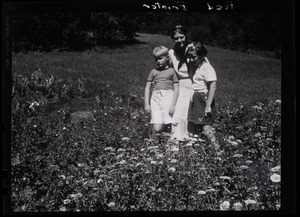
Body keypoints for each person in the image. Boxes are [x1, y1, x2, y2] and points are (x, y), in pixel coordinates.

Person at [186, 41, 220, 150]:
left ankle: (217, 150)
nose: (191, 60)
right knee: (197, 127)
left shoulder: (207, 68)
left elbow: (213, 87)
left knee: (206, 128)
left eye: (194, 57)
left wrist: (208, 105)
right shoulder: (196, 66)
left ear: (201, 55)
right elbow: (185, 58)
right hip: (196, 98)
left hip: (204, 98)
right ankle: (201, 151)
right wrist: (189, 48)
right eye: (190, 57)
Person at [144, 45, 179, 143]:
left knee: (168, 125)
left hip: (168, 97)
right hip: (156, 99)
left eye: (160, 58)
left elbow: (176, 88)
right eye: (156, 59)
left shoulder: (172, 71)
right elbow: (147, 88)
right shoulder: (153, 72)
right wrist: (146, 104)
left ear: (167, 57)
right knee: (157, 128)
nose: (157, 61)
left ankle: (168, 147)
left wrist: (173, 104)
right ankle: (155, 145)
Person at [168, 25, 195, 141]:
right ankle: (175, 145)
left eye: (181, 37)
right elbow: (169, 71)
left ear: (186, 36)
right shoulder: (171, 53)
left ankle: (191, 143)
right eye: (176, 38)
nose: (179, 40)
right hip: (180, 87)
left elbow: (205, 67)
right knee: (177, 115)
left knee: (190, 116)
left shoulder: (193, 48)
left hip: (194, 85)